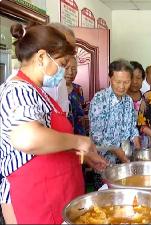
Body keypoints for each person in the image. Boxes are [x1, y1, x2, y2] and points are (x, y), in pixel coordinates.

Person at [0, 23, 105, 224]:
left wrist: (81, 156)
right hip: (37, 200)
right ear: (41, 57)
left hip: (59, 195)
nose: (64, 71)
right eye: (63, 63)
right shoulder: (18, 90)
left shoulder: (39, 92)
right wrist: (78, 141)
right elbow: (27, 138)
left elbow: (53, 142)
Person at [89, 59, 141, 190]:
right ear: (110, 78)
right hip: (103, 164)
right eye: (118, 82)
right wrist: (115, 149)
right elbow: (96, 136)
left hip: (124, 162)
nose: (122, 86)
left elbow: (132, 127)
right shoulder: (99, 99)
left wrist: (137, 144)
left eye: (126, 82)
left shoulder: (128, 101)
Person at [42, 22, 77, 113]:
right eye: (67, 49)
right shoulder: (22, 87)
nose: (69, 56)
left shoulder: (59, 80)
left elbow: (64, 112)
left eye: (72, 51)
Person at [128, 61, 151, 149]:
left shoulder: (147, 98)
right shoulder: (120, 99)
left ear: (143, 79)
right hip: (123, 147)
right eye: (131, 78)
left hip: (144, 145)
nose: (135, 81)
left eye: (138, 78)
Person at [65, 56, 86, 135]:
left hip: (79, 134)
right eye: (66, 68)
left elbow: (81, 111)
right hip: (63, 136)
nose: (70, 72)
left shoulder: (78, 88)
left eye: (73, 69)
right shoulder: (54, 90)